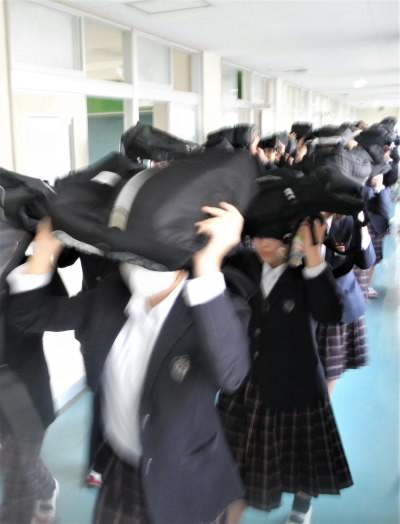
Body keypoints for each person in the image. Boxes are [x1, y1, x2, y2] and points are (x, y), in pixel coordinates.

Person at [7, 202, 251, 524]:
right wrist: (44, 249)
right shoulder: (111, 296)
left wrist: (208, 264)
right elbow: (29, 316)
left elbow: (231, 374)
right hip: (121, 467)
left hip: (184, 474)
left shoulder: (212, 307)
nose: (135, 262)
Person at [218, 217, 353, 524]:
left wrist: (313, 252)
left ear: (292, 237)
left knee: (303, 457)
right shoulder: (243, 262)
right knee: (237, 464)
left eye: (275, 236)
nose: (264, 244)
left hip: (297, 383)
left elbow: (330, 312)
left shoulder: (307, 269)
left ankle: (303, 502)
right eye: (258, 236)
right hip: (247, 381)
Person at [317, 213, 375, 391]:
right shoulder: (300, 219)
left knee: (329, 368)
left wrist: (360, 222)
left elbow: (367, 260)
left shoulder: (349, 221)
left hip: (336, 301)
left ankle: (324, 404)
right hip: (301, 298)